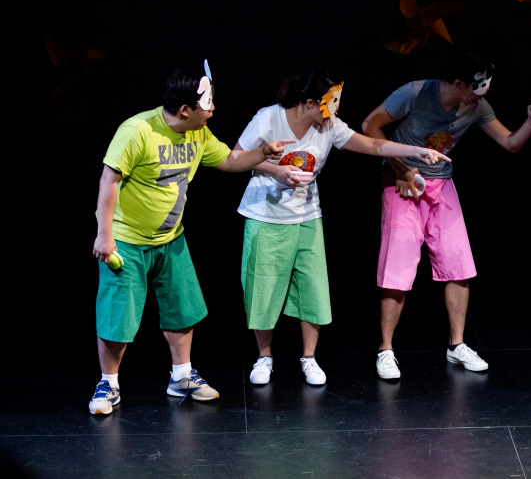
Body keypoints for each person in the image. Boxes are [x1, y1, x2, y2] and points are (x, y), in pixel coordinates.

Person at [89, 62, 294, 415]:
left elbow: (228, 160)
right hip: (127, 241)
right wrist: (105, 235)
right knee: (117, 316)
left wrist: (262, 153)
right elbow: (109, 180)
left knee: (182, 308)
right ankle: (108, 384)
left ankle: (181, 376)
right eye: (207, 104)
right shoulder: (137, 131)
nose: (212, 109)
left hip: (171, 239)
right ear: (186, 109)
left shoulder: (198, 134)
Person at [236, 71, 450, 386]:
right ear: (309, 103)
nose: (334, 110)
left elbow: (372, 145)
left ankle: (308, 358)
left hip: (307, 216)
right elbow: (236, 156)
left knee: (312, 290)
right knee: (264, 291)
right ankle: (264, 357)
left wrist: (414, 151)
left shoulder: (329, 126)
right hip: (266, 216)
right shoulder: (270, 118)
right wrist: (276, 171)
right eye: (329, 103)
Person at [361, 49, 531, 379]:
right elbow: (370, 125)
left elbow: (510, 144)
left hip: (441, 186)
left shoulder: (477, 106)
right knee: (397, 268)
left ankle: (456, 345)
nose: (483, 93)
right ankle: (386, 350)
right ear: (457, 83)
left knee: (458, 264)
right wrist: (402, 170)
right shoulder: (415, 93)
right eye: (476, 87)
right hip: (401, 184)